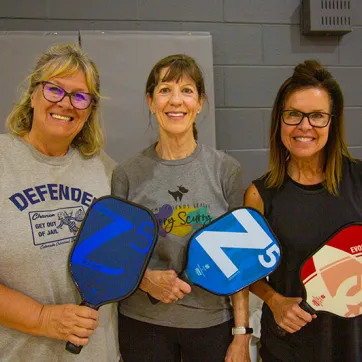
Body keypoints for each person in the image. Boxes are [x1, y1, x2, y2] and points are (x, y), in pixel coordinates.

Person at [112, 54, 251, 362]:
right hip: (143, 324)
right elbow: (118, 256)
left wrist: (242, 333)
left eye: (187, 90)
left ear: (200, 102)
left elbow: (240, 261)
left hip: (211, 323)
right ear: (150, 100)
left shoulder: (226, 170)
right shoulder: (126, 173)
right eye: (165, 90)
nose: (176, 100)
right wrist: (146, 279)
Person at [0, 43, 120, 362]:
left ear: (90, 108)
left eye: (80, 96)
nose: (66, 104)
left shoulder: (107, 171)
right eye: (55, 90)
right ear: (33, 94)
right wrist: (43, 318)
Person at [244, 60, 362, 361]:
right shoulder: (260, 194)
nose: (304, 126)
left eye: (317, 116)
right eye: (294, 114)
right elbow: (245, 271)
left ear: (332, 122)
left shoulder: (358, 180)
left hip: (353, 343)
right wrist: (274, 300)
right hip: (289, 348)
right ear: (279, 121)